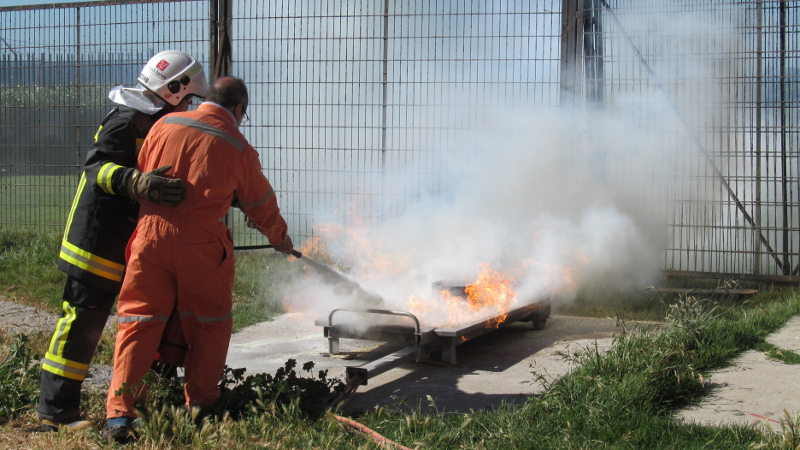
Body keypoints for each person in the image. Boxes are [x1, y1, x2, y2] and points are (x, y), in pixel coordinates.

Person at [105, 76, 294, 441]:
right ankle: (202, 405)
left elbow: (147, 165)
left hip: (149, 236)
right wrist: (279, 238)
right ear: (238, 109)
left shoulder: (165, 123)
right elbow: (260, 204)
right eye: (244, 114)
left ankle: (119, 414)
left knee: (138, 321)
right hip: (202, 245)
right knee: (210, 323)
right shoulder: (238, 146)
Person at [38, 50, 208, 432]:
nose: (191, 104)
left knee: (148, 321)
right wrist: (136, 182)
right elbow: (96, 167)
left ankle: (144, 401)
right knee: (81, 322)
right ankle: (56, 412)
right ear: (174, 88)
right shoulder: (127, 118)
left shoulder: (157, 118)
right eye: (189, 96)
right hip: (97, 241)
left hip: (132, 241)